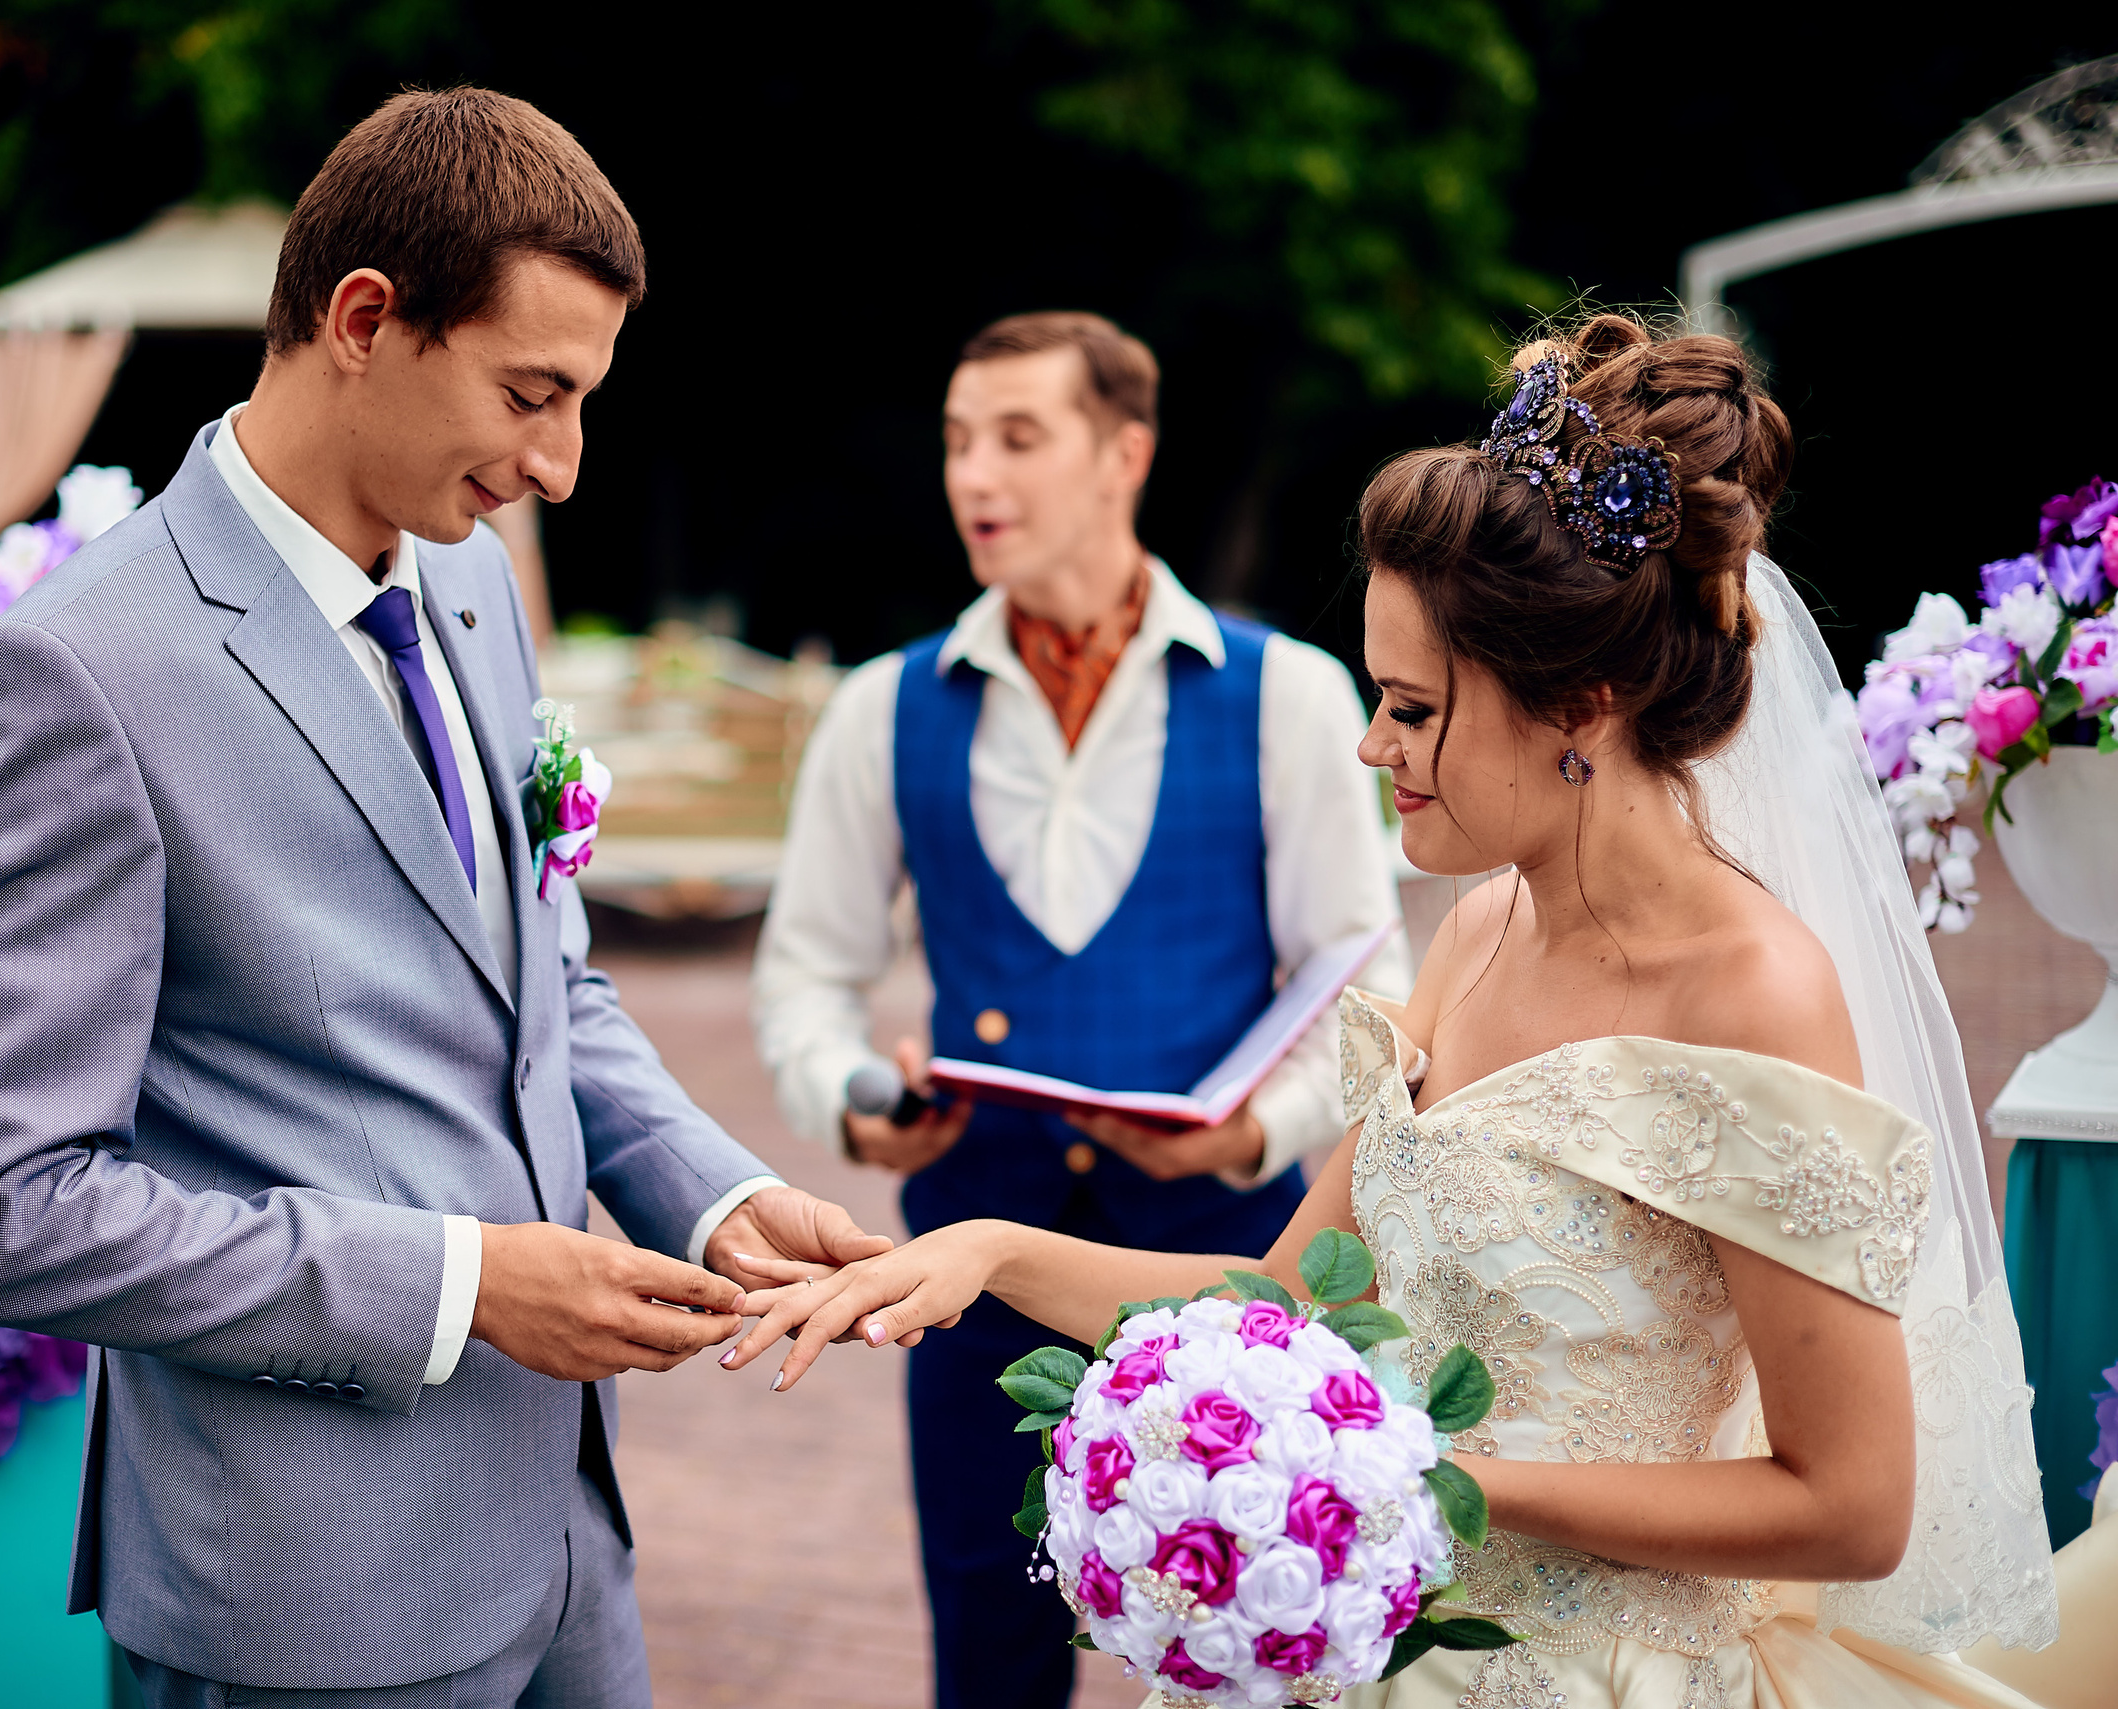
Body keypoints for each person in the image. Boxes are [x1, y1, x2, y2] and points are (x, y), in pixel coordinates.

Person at [731, 314, 2072, 1706]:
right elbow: (1280, 1304)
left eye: (1414, 706)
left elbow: (1851, 1504)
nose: (1374, 744)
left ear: (1585, 700)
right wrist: (991, 1251)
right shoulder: (1481, 927)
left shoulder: (1757, 988)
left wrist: (1439, 1477)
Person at [0, 89, 887, 1709]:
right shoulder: (76, 675)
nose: (563, 466)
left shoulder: (474, 587)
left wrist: (708, 1195)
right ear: (365, 319)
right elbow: (2, 1213)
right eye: (532, 393)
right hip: (302, 1594)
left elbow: (540, 989)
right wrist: (461, 1284)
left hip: (568, 1536)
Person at [752, 310, 1407, 1708]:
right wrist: (866, 1105)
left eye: (1017, 437)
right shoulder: (881, 709)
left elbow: (1367, 978)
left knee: (1268, 1653)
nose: (975, 476)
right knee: (990, 1661)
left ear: (1125, 454)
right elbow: (803, 978)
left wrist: (1251, 1135)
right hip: (975, 1296)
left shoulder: (1286, 694)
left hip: (1237, 1285)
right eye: (956, 443)